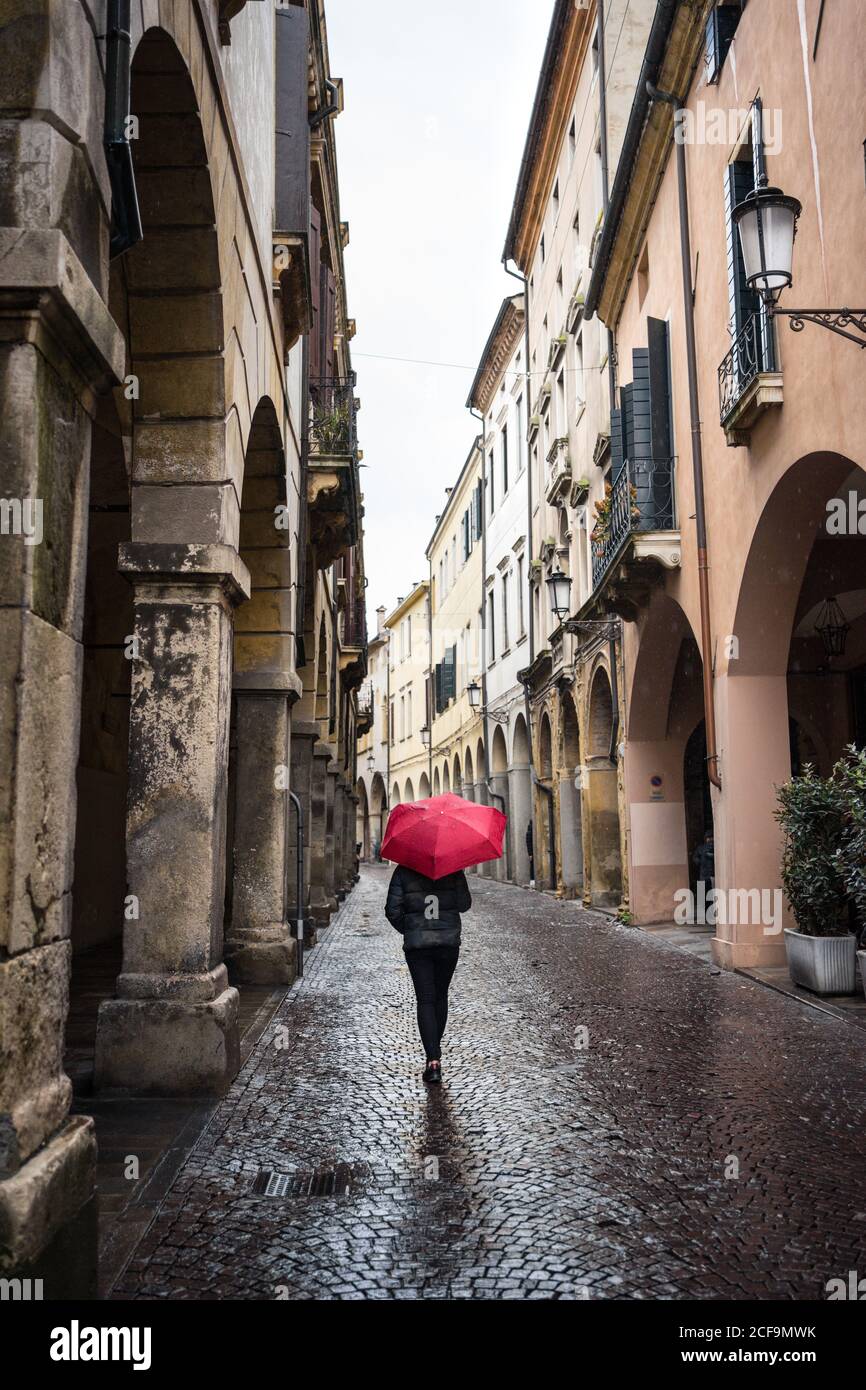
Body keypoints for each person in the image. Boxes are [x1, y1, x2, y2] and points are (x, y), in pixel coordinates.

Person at [384, 863, 471, 1084]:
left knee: (425, 1000)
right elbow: (464, 904)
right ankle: (435, 1053)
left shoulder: (404, 870)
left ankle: (432, 1061)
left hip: (418, 947)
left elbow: (392, 910)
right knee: (440, 996)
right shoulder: (453, 868)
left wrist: (411, 928)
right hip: (447, 944)